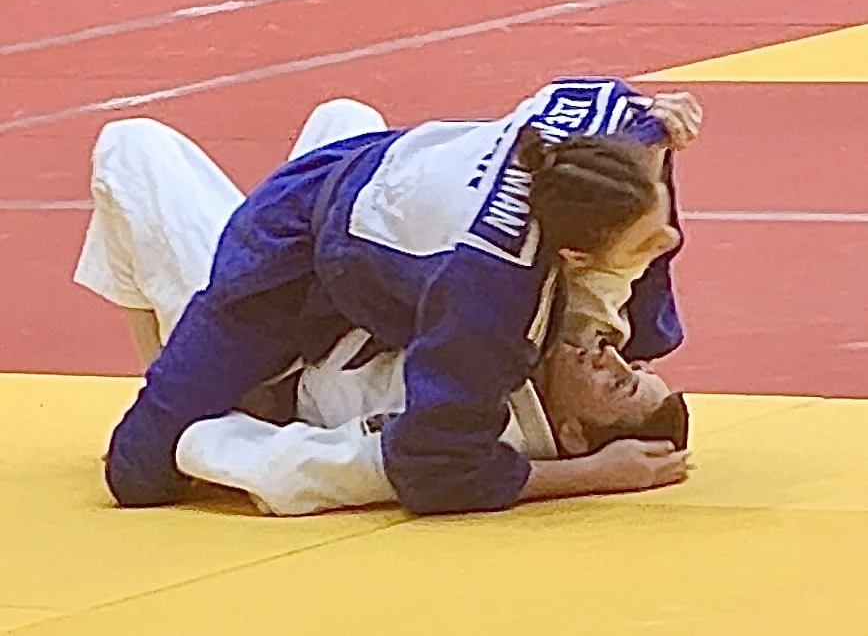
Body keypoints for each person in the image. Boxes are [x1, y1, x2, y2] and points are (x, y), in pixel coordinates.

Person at [75, 78, 700, 515]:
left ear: (567, 429)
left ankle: (168, 367)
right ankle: (172, 360)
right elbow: (627, 261)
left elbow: (423, 471)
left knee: (134, 146)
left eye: (620, 382)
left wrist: (592, 475)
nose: (613, 355)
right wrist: (661, 128)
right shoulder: (522, 293)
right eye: (633, 364)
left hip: (297, 306)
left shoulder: (493, 341)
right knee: (343, 110)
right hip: (316, 241)